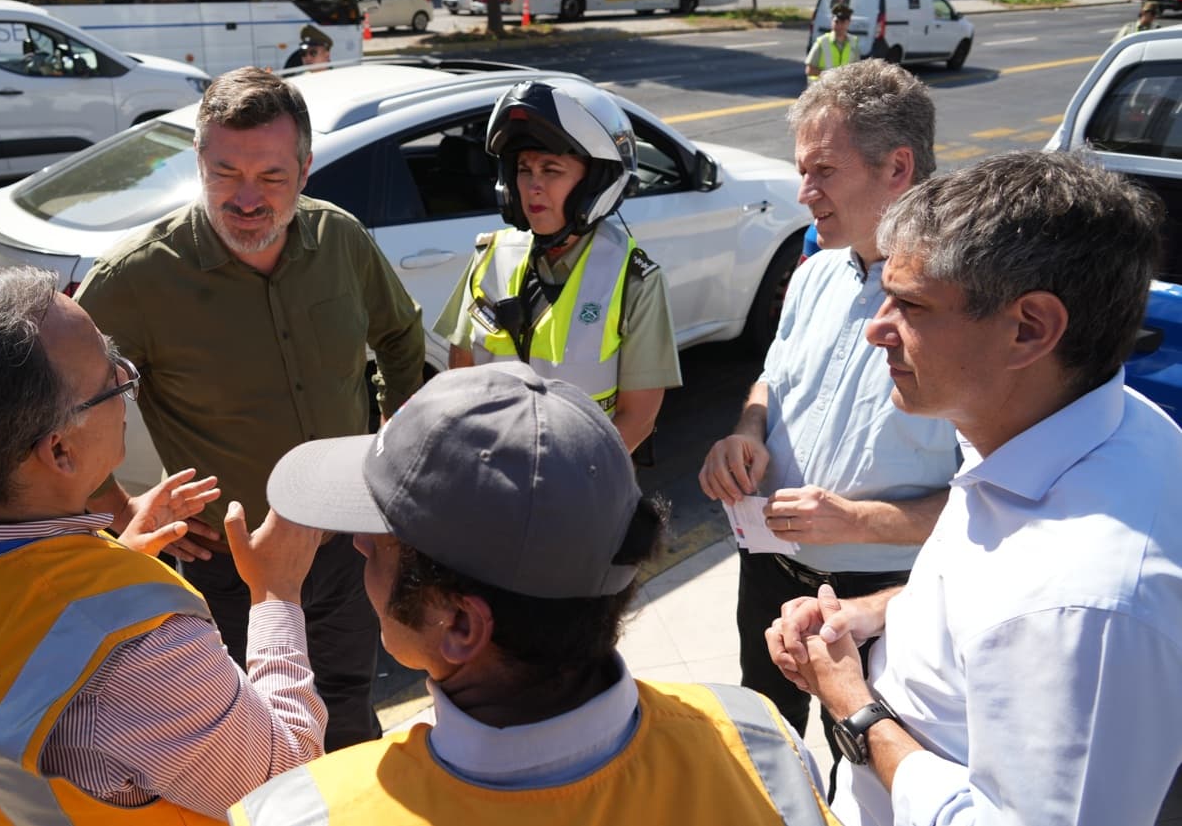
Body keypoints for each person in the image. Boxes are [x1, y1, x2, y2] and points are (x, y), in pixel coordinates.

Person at [230, 362, 841, 826]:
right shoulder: (761, 748)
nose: (360, 545)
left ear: (461, 626)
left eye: (385, 540)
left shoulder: (307, 812)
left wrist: (273, 600)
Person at [767, 151, 1182, 826]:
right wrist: (874, 612)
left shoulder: (1087, 605)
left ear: (1029, 328)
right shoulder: (1055, 428)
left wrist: (854, 707)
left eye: (910, 303)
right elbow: (982, 581)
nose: (877, 327)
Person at [0, 267, 328, 823]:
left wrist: (109, 565)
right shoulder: (141, 655)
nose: (124, 379)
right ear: (60, 452)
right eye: (113, 379)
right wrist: (275, 594)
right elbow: (286, 783)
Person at [76, 66, 425, 751]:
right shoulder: (137, 278)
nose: (246, 199)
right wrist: (119, 509)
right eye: (224, 173)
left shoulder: (341, 239)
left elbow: (399, 333)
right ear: (198, 163)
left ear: (305, 168)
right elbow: (58, 409)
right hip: (230, 565)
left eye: (270, 177)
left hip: (347, 544)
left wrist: (395, 435)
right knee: (253, 732)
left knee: (350, 700)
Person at [697, 59, 959, 787]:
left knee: (873, 778)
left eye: (821, 171)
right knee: (767, 752)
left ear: (896, 167)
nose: (802, 192)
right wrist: (746, 431)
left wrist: (855, 518)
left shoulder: (965, 309)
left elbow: (988, 501)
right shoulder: (815, 273)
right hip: (770, 575)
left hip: (878, 605)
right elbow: (772, 380)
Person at [433, 79, 681, 452]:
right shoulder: (489, 258)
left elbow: (639, 417)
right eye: (523, 169)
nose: (533, 186)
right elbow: (461, 378)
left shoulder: (633, 280)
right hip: (492, 471)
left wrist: (570, 482)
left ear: (594, 183)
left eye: (551, 170)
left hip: (582, 480)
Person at [805, 3, 860, 81]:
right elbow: (809, 70)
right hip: (822, 89)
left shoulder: (853, 42)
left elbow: (857, 69)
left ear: (848, 22)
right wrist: (830, 75)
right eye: (836, 22)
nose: (839, 25)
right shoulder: (822, 42)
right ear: (832, 21)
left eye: (843, 22)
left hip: (843, 89)